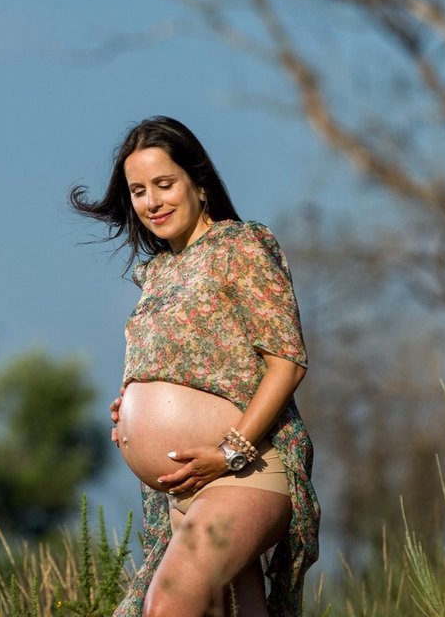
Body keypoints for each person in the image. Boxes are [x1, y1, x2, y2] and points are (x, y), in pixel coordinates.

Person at [70, 116, 318, 617]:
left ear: (198, 184)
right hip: (182, 492)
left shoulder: (238, 246)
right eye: (138, 191)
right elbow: (183, 369)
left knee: (169, 602)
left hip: (244, 473)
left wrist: (231, 451)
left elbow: (286, 362)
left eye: (164, 184)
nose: (152, 202)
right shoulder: (157, 274)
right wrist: (131, 407)